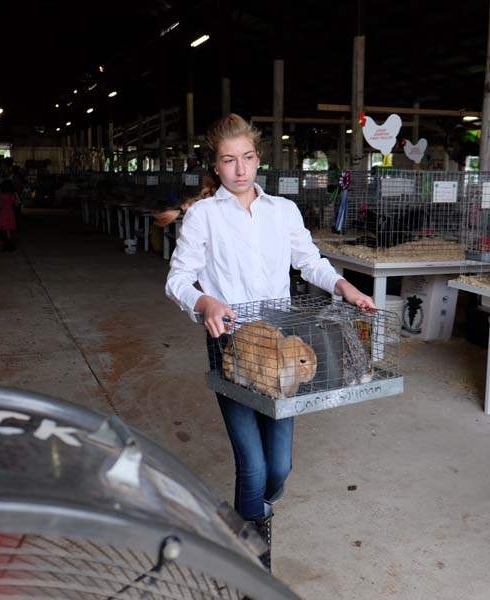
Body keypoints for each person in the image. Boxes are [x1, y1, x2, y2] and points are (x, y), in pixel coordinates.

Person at [165, 114, 375, 570]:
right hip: (234, 343)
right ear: (216, 166)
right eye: (228, 161)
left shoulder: (283, 211)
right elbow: (178, 279)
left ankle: (252, 513)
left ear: (258, 158)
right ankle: (252, 567)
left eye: (247, 158)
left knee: (280, 467)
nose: (240, 170)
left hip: (280, 339)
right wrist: (205, 304)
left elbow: (310, 261)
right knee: (254, 466)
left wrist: (345, 287)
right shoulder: (203, 216)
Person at [0, 179, 18, 249]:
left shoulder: (1, 195)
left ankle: (5, 244)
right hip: (10, 212)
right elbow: (16, 203)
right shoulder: (12, 194)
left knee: (4, 228)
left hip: (3, 212)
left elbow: (0, 205)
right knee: (9, 228)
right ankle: (10, 244)